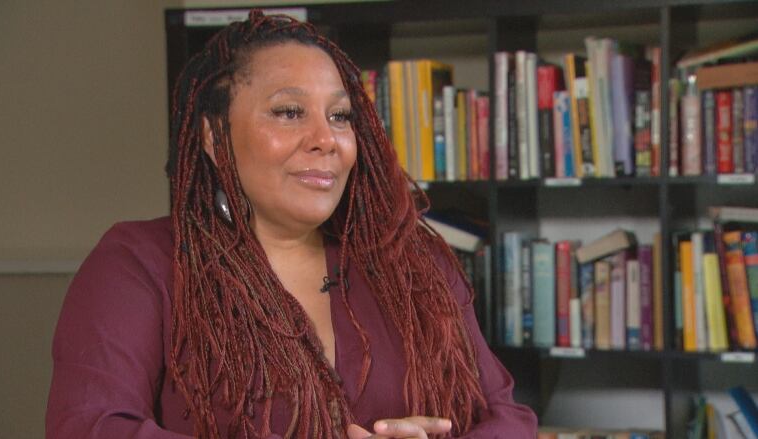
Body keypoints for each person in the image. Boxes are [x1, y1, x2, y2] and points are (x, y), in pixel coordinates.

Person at [46, 10, 537, 439]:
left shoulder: (415, 265)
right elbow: (88, 427)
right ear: (215, 139)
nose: (325, 139)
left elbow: (509, 418)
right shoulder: (141, 264)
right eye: (288, 112)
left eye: (340, 116)